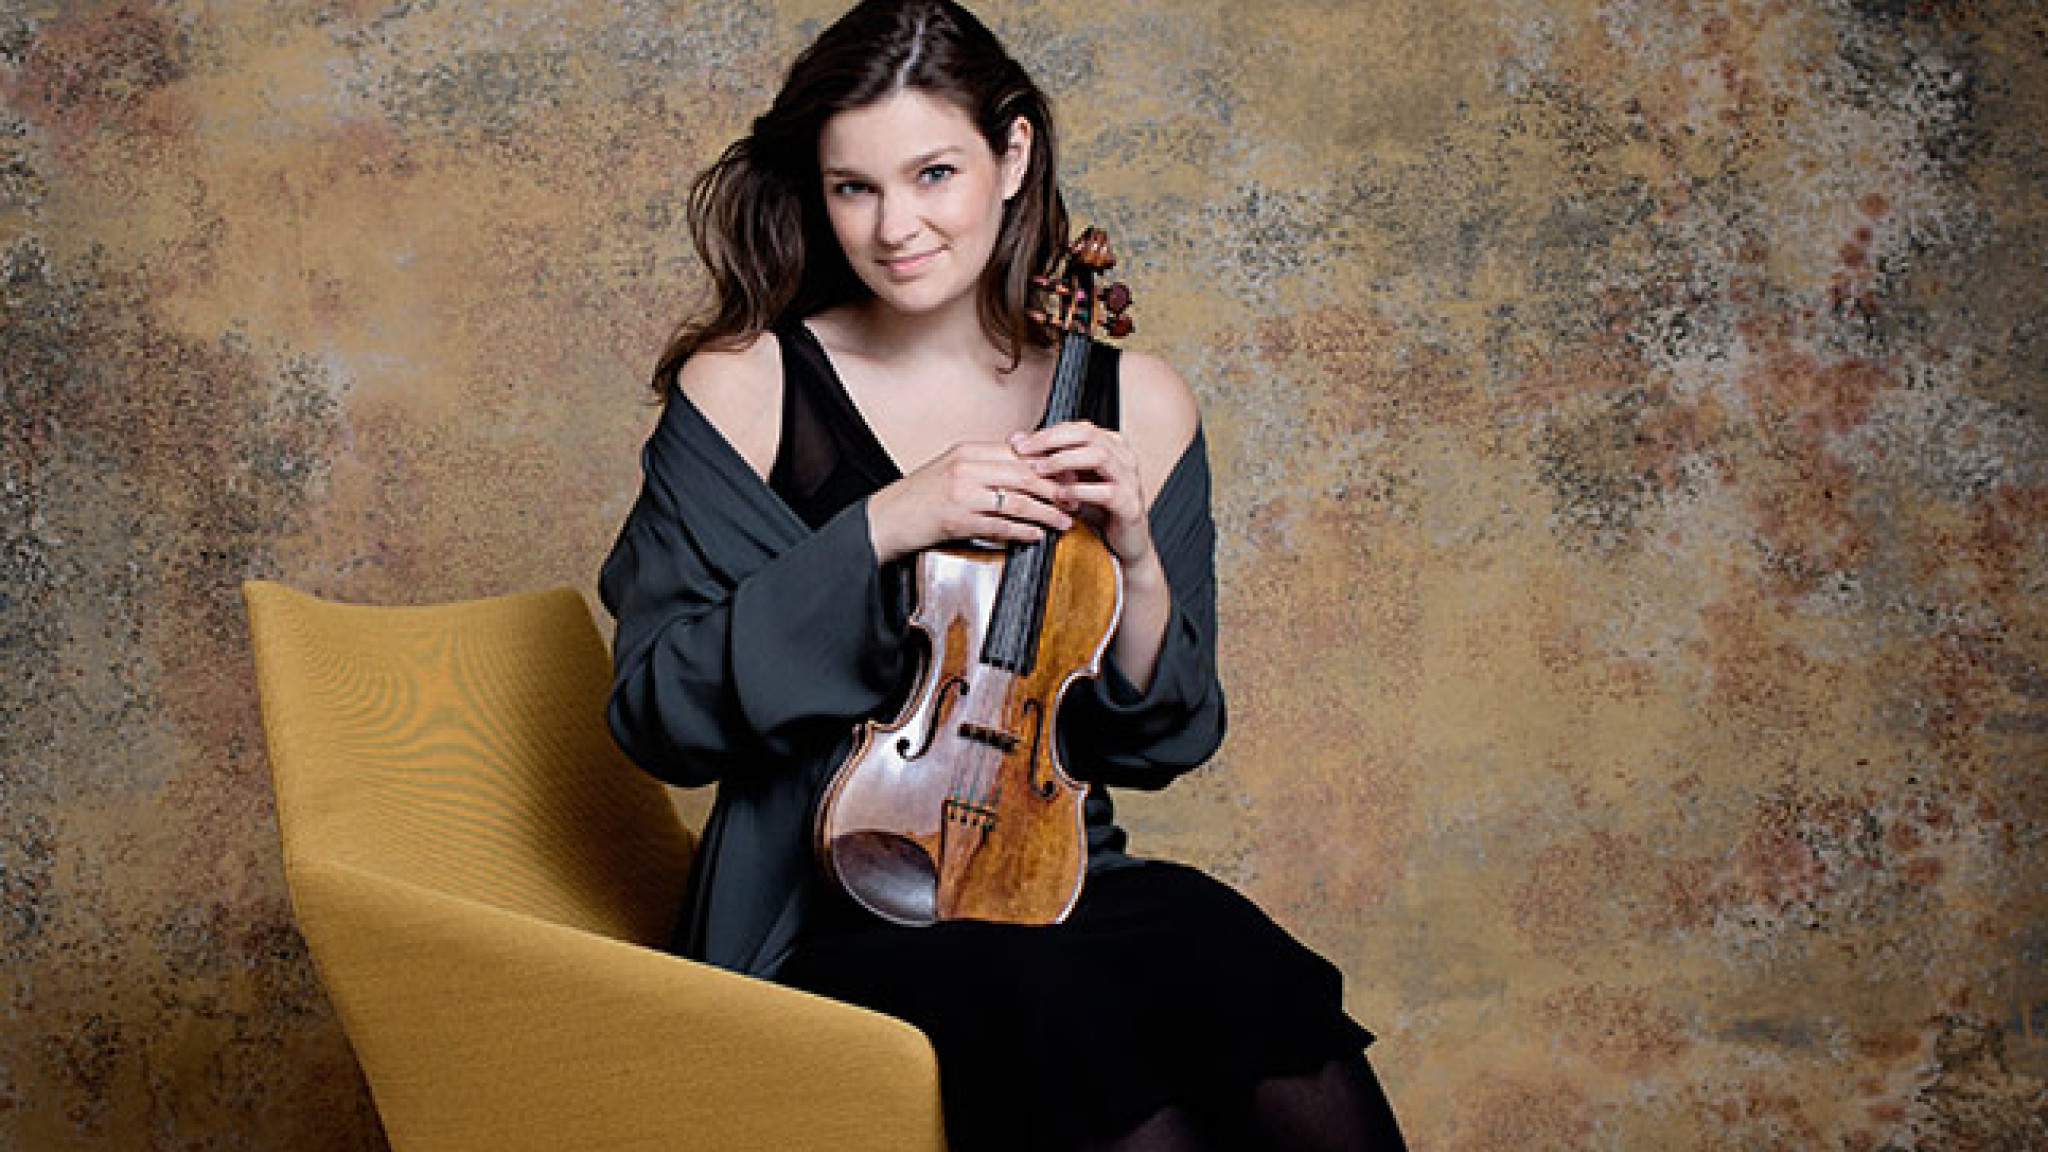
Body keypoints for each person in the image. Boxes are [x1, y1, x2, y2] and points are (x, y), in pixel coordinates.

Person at [599, 2, 1406, 1148]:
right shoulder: (748, 385)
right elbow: (657, 709)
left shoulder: (1140, 403)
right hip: (821, 903)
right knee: (1073, 1036)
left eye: (934, 173)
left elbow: (1161, 738)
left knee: (1247, 980)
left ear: (1012, 154)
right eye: (853, 187)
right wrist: (884, 520)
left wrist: (1131, 553)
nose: (894, 228)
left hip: (1048, 872)